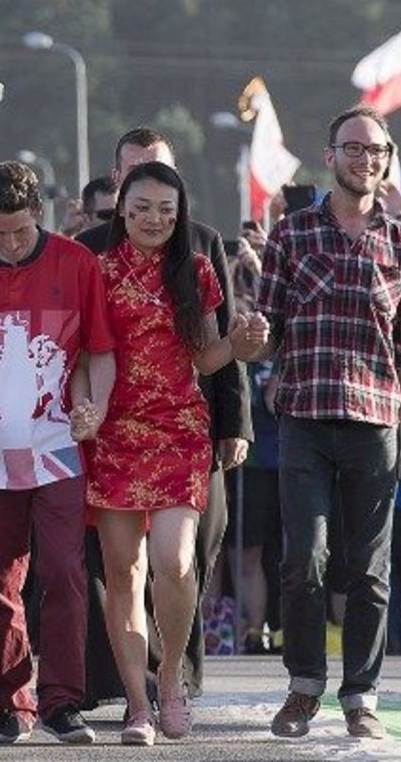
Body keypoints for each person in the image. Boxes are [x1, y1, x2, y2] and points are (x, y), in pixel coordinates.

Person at [77, 161, 268, 745]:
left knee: (176, 561)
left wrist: (239, 345)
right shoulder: (97, 271)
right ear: (122, 211)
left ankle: (170, 681)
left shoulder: (199, 270)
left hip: (180, 430)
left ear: (179, 212)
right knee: (122, 571)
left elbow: (207, 358)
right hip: (113, 434)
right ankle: (137, 704)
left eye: (165, 209)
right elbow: (85, 356)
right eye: (140, 209)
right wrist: (86, 408)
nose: (153, 219)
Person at [0, 161, 115, 745]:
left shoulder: (76, 262)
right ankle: (9, 703)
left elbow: (97, 352)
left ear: (38, 214)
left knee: (66, 571)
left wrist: (95, 408)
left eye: (20, 231)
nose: (11, 245)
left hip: (58, 445)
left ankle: (63, 702)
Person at [255, 106, 401, 741]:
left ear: (387, 161)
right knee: (304, 559)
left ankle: (361, 696)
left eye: (376, 151)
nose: (364, 159)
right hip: (305, 417)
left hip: (376, 420)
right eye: (354, 148)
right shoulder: (292, 233)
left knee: (369, 570)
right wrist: (252, 335)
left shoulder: (398, 240)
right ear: (330, 155)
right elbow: (263, 332)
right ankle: (304, 688)